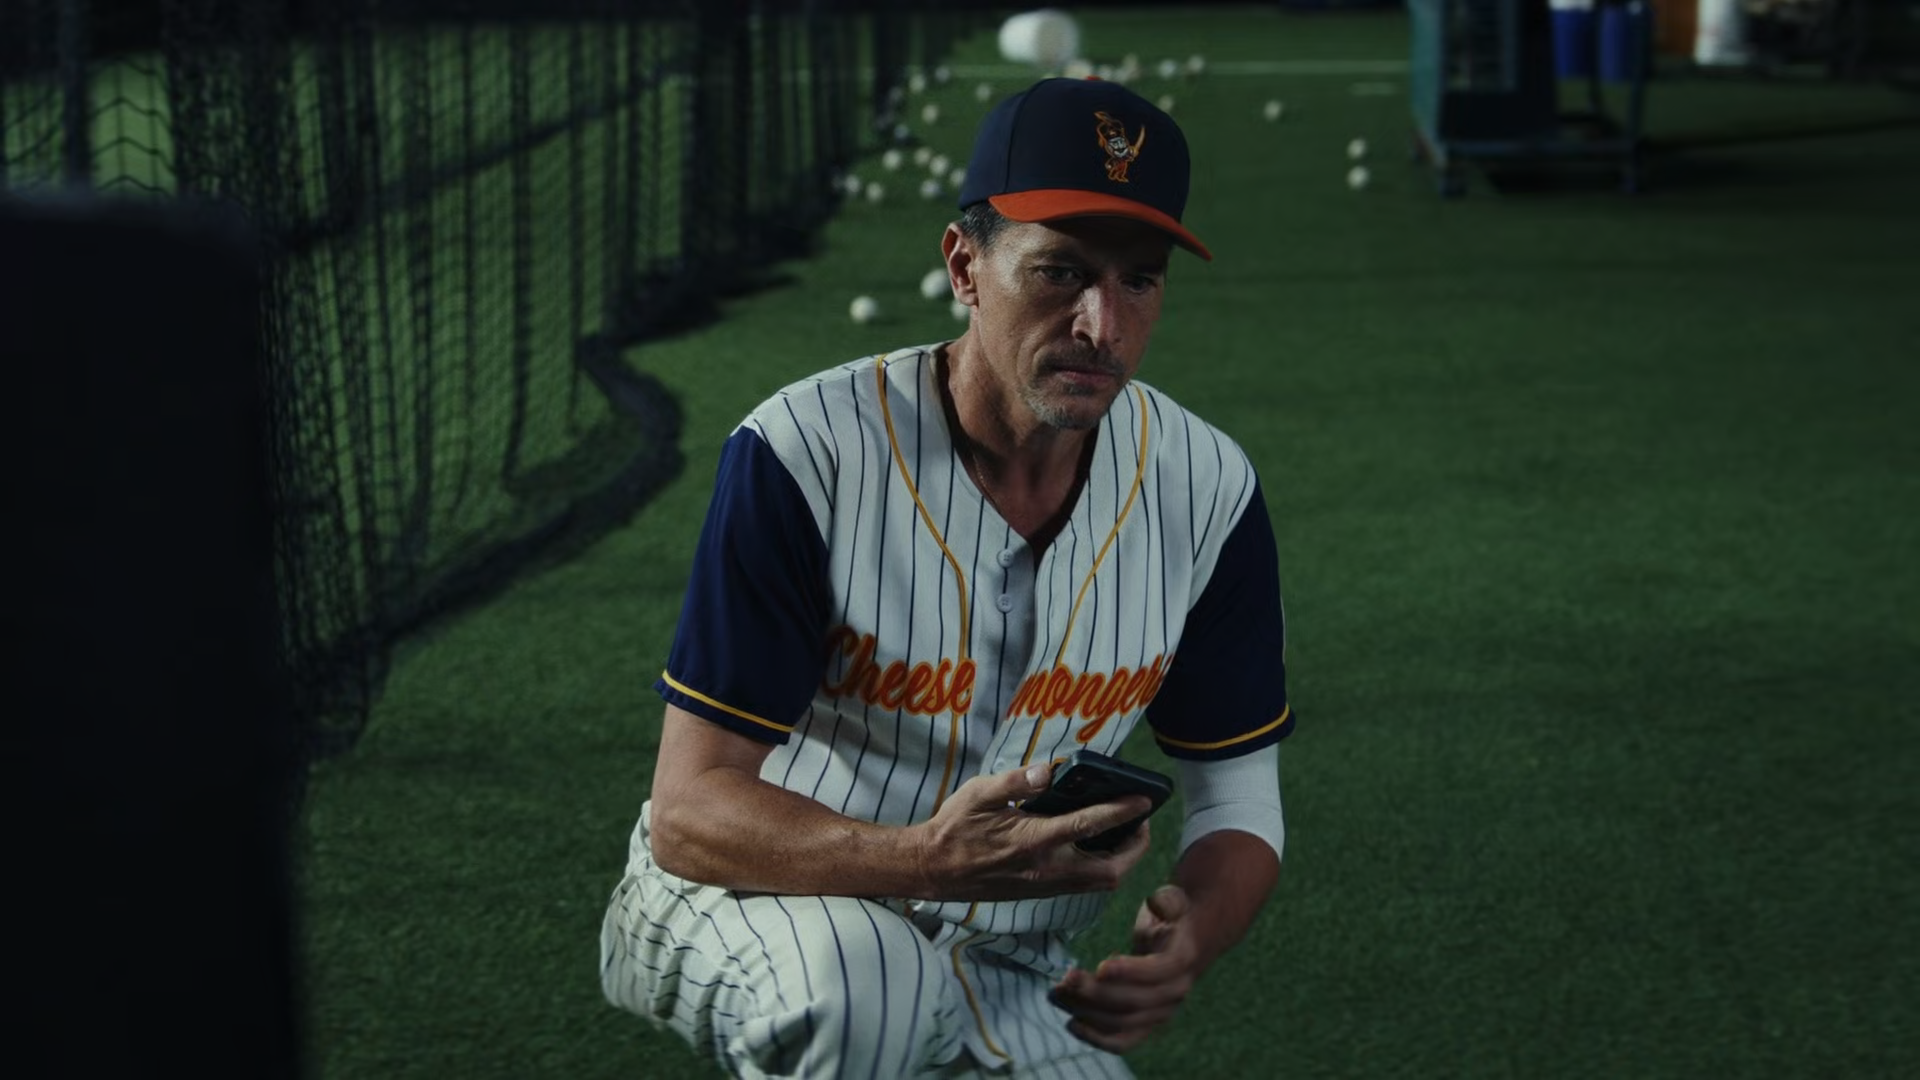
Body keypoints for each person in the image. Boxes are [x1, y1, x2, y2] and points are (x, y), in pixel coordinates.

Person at [600, 76, 1296, 1079]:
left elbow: (1238, 801)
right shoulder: (806, 451)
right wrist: (924, 857)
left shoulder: (1208, 486)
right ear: (965, 267)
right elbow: (688, 811)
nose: (1102, 324)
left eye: (1139, 281)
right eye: (1060, 272)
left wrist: (1195, 939)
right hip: (756, 894)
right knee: (868, 989)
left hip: (1005, 964)